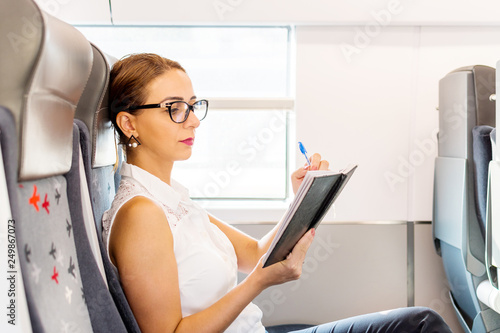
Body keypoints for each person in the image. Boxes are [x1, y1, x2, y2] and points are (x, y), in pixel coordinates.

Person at [102, 53, 452, 333]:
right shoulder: (141, 214)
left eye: (193, 106)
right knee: (421, 325)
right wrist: (258, 284)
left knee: (418, 322)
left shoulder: (171, 197)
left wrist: (302, 200)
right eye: (174, 108)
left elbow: (254, 253)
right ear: (129, 123)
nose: (193, 120)